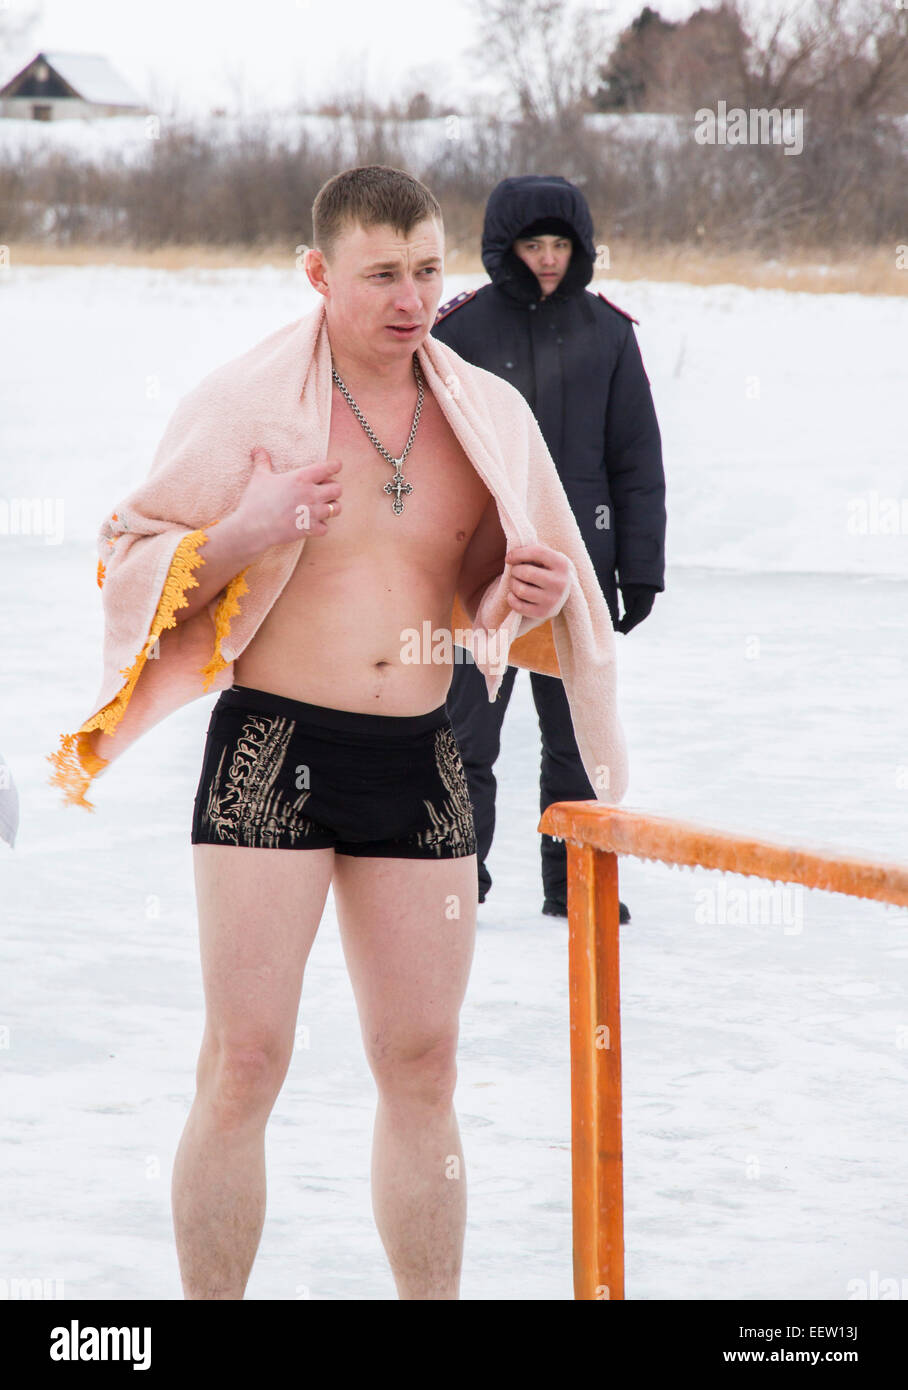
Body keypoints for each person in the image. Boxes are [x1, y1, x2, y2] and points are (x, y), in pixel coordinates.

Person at [161, 167, 592, 1300]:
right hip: (272, 752)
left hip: (418, 754)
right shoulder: (245, 409)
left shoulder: (481, 416)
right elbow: (132, 556)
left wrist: (514, 604)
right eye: (382, 274)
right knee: (244, 1063)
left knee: (423, 1063)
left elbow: (468, 611)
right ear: (317, 274)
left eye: (428, 270)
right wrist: (252, 522)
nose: (412, 298)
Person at [433, 175, 666, 921]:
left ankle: (576, 886)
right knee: (466, 733)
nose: (546, 259)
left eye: (559, 244)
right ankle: (456, 879)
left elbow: (636, 462)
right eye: (532, 244)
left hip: (578, 576)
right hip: (482, 577)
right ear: (504, 246)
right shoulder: (457, 333)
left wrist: (642, 569)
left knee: (577, 737)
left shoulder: (608, 333)